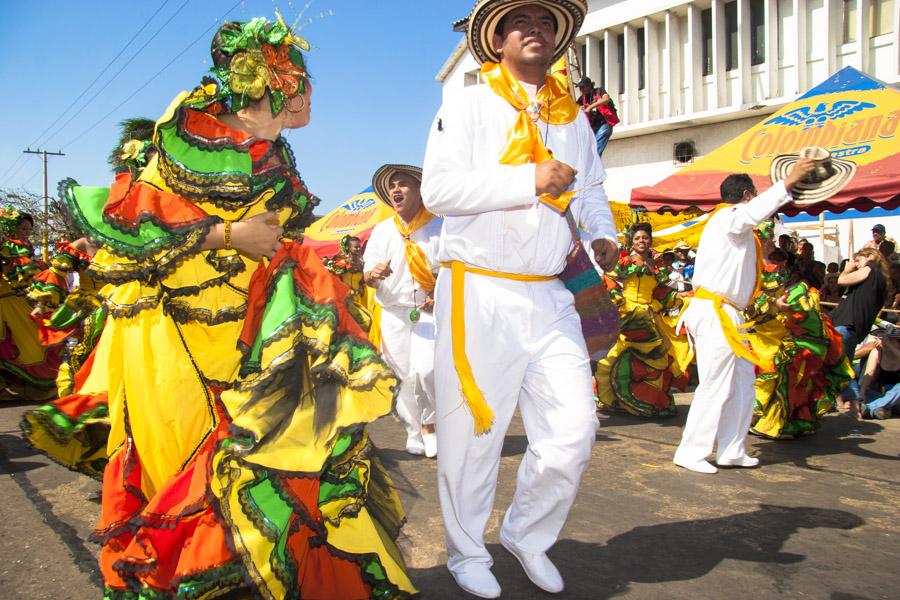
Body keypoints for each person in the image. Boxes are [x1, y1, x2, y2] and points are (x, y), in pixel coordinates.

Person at [31, 18, 416, 598]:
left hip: (258, 324)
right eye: (296, 79)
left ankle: (247, 572)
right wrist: (228, 237)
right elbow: (129, 227)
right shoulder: (190, 128)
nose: (307, 93)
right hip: (180, 336)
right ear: (262, 81)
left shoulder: (272, 147)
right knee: (197, 459)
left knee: (280, 451)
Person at [422, 1, 618, 596]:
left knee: (573, 432)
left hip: (551, 291)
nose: (535, 31)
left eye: (546, 23)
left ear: (558, 40)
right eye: (521, 23)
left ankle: (528, 534)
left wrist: (603, 233)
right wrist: (525, 180)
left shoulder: (574, 116)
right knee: (473, 434)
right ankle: (466, 553)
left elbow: (591, 190)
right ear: (498, 40)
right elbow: (440, 189)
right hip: (478, 287)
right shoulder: (469, 101)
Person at [672, 162, 815, 475]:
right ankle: (691, 451)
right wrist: (789, 182)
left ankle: (732, 450)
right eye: (756, 197)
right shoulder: (728, 218)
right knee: (715, 384)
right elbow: (750, 214)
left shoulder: (735, 226)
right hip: (716, 313)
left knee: (742, 383)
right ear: (748, 195)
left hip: (730, 314)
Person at [363, 164, 441, 458]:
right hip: (394, 313)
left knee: (428, 369)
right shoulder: (382, 231)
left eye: (404, 184)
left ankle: (431, 424)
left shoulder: (439, 228)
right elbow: (367, 275)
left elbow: (451, 270)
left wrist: (437, 293)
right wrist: (375, 274)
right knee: (402, 376)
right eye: (392, 185)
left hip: (429, 313)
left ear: (420, 190)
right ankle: (414, 429)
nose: (396, 190)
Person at [595, 223, 691, 418]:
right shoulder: (625, 263)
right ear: (632, 241)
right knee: (611, 358)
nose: (642, 241)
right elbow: (607, 279)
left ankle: (650, 402)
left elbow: (660, 292)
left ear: (650, 241)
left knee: (658, 359)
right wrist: (616, 297)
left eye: (645, 238)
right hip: (628, 313)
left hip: (649, 315)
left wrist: (682, 298)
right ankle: (611, 399)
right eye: (638, 238)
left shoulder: (656, 266)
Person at [0, 209, 61, 400]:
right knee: (27, 343)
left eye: (29, 228)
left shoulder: (25, 247)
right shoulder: (7, 247)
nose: (26, 231)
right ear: (13, 228)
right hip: (8, 301)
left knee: (38, 339)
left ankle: (20, 386)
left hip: (22, 299)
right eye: (23, 227)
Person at [830, 247, 891, 419]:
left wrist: (847, 269)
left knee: (840, 366)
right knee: (841, 366)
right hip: (851, 328)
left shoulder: (870, 269)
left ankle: (855, 404)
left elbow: (841, 280)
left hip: (845, 326)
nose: (856, 264)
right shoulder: (879, 281)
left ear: (871, 257)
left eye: (858, 260)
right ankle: (848, 403)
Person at [857, 332, 900, 419]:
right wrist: (862, 391)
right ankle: (880, 410)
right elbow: (869, 371)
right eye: (898, 340)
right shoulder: (878, 351)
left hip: (898, 400)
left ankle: (870, 408)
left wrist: (890, 346)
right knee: (858, 390)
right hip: (881, 397)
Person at [575, 76, 616, 158]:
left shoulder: (598, 91)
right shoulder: (582, 98)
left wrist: (590, 107)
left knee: (596, 150)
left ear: (589, 86)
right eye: (580, 88)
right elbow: (574, 109)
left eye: (583, 87)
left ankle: (594, 165)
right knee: (587, 148)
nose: (581, 90)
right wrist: (580, 109)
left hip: (604, 123)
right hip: (593, 126)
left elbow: (606, 99)